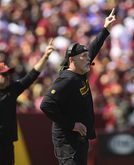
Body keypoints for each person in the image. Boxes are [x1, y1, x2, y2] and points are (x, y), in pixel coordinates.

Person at [40, 8, 116, 165]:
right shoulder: (67, 79)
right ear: (72, 60)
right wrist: (72, 124)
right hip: (68, 140)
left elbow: (93, 48)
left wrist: (105, 29)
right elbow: (46, 104)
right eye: (83, 57)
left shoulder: (80, 71)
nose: (88, 59)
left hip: (79, 138)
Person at [0, 39, 55, 165]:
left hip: (7, 142)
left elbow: (31, 75)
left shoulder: (12, 89)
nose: (7, 77)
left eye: (8, 74)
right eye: (3, 75)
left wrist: (45, 56)